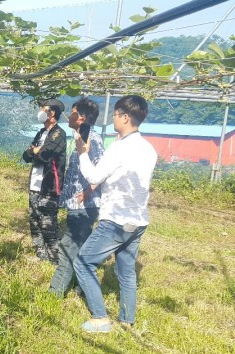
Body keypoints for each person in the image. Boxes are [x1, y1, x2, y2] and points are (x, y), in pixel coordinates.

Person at [74, 95, 157, 333]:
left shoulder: (119, 148)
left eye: (116, 114)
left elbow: (94, 177)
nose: (113, 118)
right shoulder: (148, 149)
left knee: (83, 262)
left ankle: (100, 318)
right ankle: (127, 319)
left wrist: (82, 153)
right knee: (126, 271)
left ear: (126, 117)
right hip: (138, 220)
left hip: (116, 220)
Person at [49, 98, 105, 297]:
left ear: (82, 117)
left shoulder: (92, 140)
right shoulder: (81, 136)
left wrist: (88, 192)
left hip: (85, 205)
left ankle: (55, 292)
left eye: (73, 113)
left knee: (69, 246)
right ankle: (82, 288)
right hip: (78, 204)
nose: (69, 116)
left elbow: (102, 171)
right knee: (80, 247)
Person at [22, 99, 67, 263]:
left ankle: (55, 259)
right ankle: (41, 255)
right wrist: (35, 151)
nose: (40, 111)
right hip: (35, 184)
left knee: (48, 224)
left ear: (52, 113)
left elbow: (45, 155)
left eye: (44, 108)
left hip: (49, 186)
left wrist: (36, 151)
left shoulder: (58, 134)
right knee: (34, 221)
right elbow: (26, 156)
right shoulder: (41, 133)